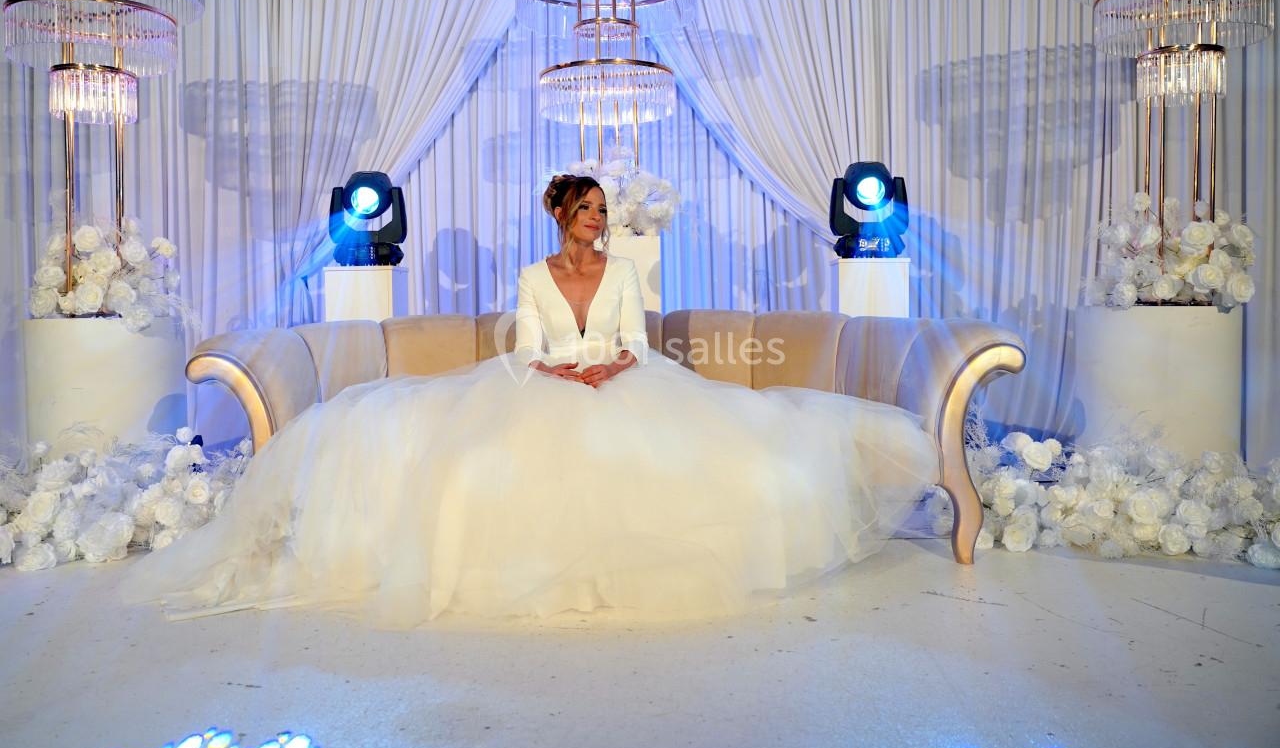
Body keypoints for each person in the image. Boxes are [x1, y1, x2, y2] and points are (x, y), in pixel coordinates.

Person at [121, 175, 939, 628]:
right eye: (589, 211)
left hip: (624, 381)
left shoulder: (620, 274)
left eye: (605, 213)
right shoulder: (531, 276)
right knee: (481, 464)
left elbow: (637, 341)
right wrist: (561, 370)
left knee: (711, 456)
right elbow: (527, 346)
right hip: (540, 383)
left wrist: (608, 368)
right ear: (561, 215)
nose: (600, 223)